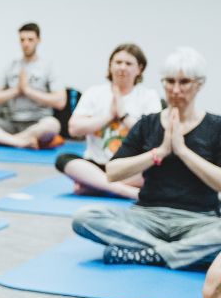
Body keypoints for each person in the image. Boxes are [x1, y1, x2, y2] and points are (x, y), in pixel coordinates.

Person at [72, 47, 221, 268]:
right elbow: (112, 173)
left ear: (199, 84)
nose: (176, 90)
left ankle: (146, 253)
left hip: (200, 220)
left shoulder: (215, 127)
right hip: (147, 216)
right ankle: (176, 255)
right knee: (85, 217)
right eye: (170, 82)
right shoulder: (147, 124)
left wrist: (183, 152)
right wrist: (157, 153)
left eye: (184, 82)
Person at [57, 43, 162, 199]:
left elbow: (153, 136)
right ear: (110, 65)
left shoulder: (149, 96)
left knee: (159, 169)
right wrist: (108, 116)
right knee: (63, 160)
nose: (122, 68)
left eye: (128, 63)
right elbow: (73, 128)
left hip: (130, 169)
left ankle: (95, 186)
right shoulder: (94, 93)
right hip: (97, 166)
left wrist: (123, 115)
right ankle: (125, 191)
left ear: (139, 68)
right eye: (118, 62)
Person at [0, 22, 65, 149]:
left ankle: (2, 140)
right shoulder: (11, 66)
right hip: (10, 123)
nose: (26, 44)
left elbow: (60, 102)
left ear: (38, 40)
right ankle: (18, 142)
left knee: (53, 125)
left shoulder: (48, 66)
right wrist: (16, 90)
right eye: (22, 40)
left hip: (37, 122)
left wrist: (28, 91)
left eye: (30, 40)